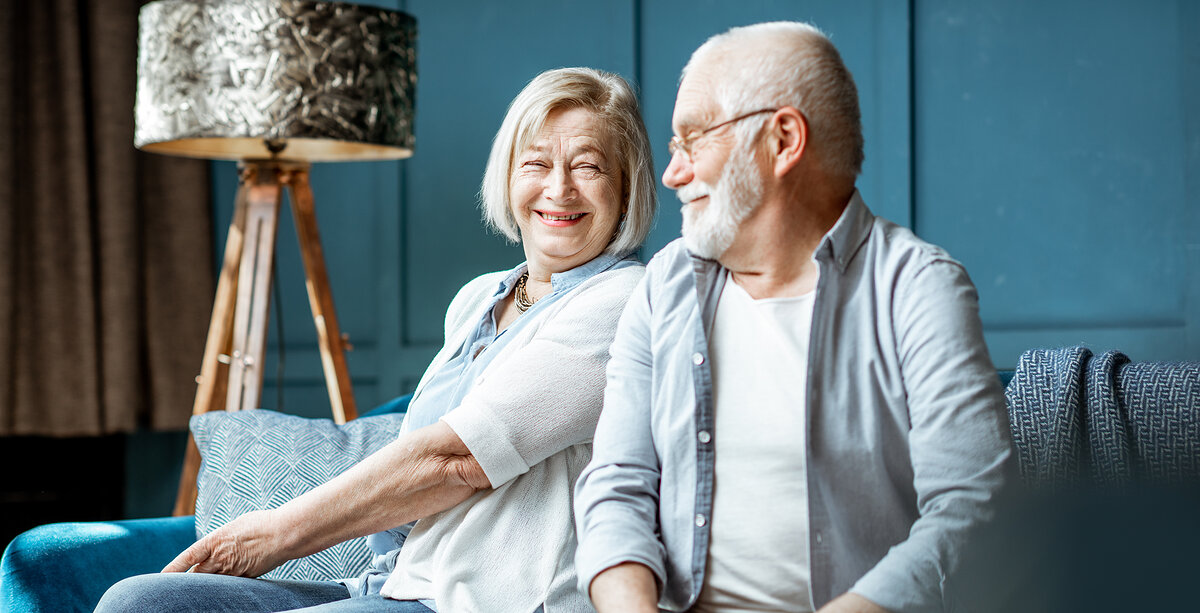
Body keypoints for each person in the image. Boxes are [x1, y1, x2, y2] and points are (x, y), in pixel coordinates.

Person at [96, 66, 657, 613]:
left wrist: (270, 535)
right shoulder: (479, 299)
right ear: (509, 174)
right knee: (140, 601)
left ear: (627, 186)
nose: (558, 188)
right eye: (536, 162)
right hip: (391, 582)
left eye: (589, 168)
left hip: (477, 599)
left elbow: (456, 459)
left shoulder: (624, 302)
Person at [573, 22, 1013, 613]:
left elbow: (969, 510)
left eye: (693, 139)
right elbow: (616, 486)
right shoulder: (666, 284)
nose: (674, 174)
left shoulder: (917, 287)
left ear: (782, 140)